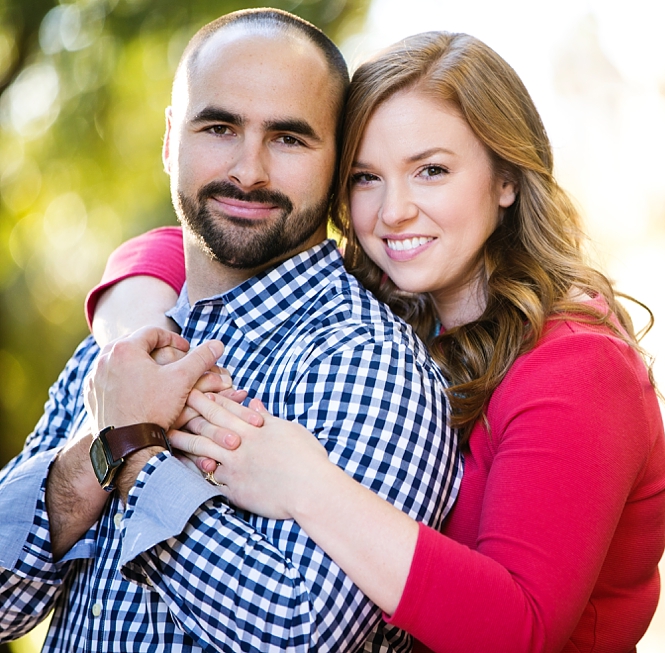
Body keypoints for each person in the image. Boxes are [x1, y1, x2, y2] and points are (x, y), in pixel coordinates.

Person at [86, 31, 665, 653]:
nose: (394, 210)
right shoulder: (402, 304)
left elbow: (519, 630)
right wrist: (134, 333)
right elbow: (194, 242)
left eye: (431, 171)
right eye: (367, 177)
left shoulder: (578, 363)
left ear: (506, 179)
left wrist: (312, 488)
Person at [0, 10, 460, 653]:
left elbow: (301, 636)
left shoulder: (368, 362)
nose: (249, 171)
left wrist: (134, 447)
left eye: (289, 139)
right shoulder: (123, 344)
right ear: (170, 141)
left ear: (337, 170)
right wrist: (95, 453)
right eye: (219, 127)